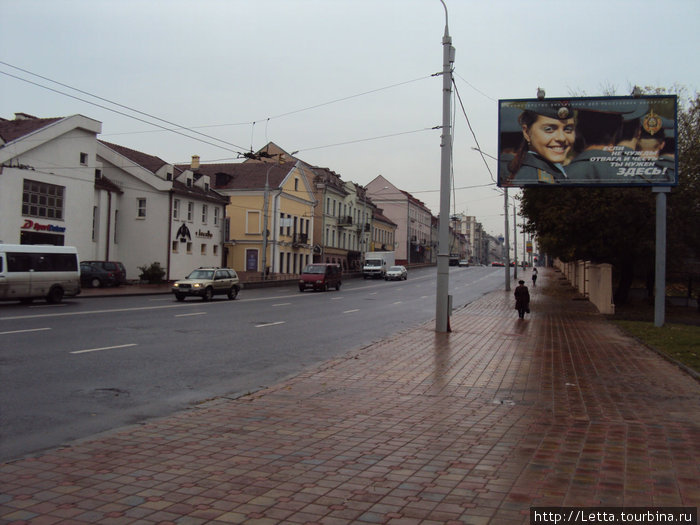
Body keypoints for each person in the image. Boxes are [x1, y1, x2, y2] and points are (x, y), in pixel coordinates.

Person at [503, 102, 576, 186]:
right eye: (549, 129)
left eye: (568, 129)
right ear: (527, 132)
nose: (562, 138)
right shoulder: (532, 178)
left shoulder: (548, 171)